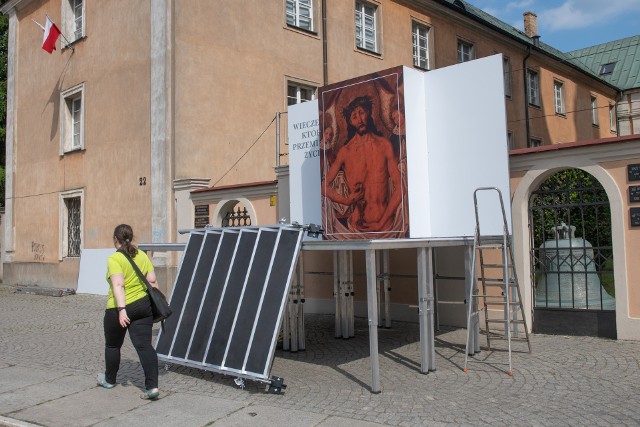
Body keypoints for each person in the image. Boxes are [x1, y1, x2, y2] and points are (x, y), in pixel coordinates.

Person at [322, 95, 404, 235]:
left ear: (368, 113)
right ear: (350, 121)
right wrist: (346, 201)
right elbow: (324, 187)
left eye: (361, 113)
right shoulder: (345, 152)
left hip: (384, 226)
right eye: (354, 116)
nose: (359, 119)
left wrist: (381, 223)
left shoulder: (384, 145)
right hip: (356, 227)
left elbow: (400, 189)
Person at [96, 224, 160, 400]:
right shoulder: (142, 256)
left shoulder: (115, 259)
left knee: (113, 345)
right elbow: (153, 282)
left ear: (115, 239)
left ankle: (109, 380)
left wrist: (122, 310)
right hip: (143, 306)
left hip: (119, 308)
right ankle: (152, 387)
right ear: (131, 238)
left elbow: (118, 285)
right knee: (145, 346)